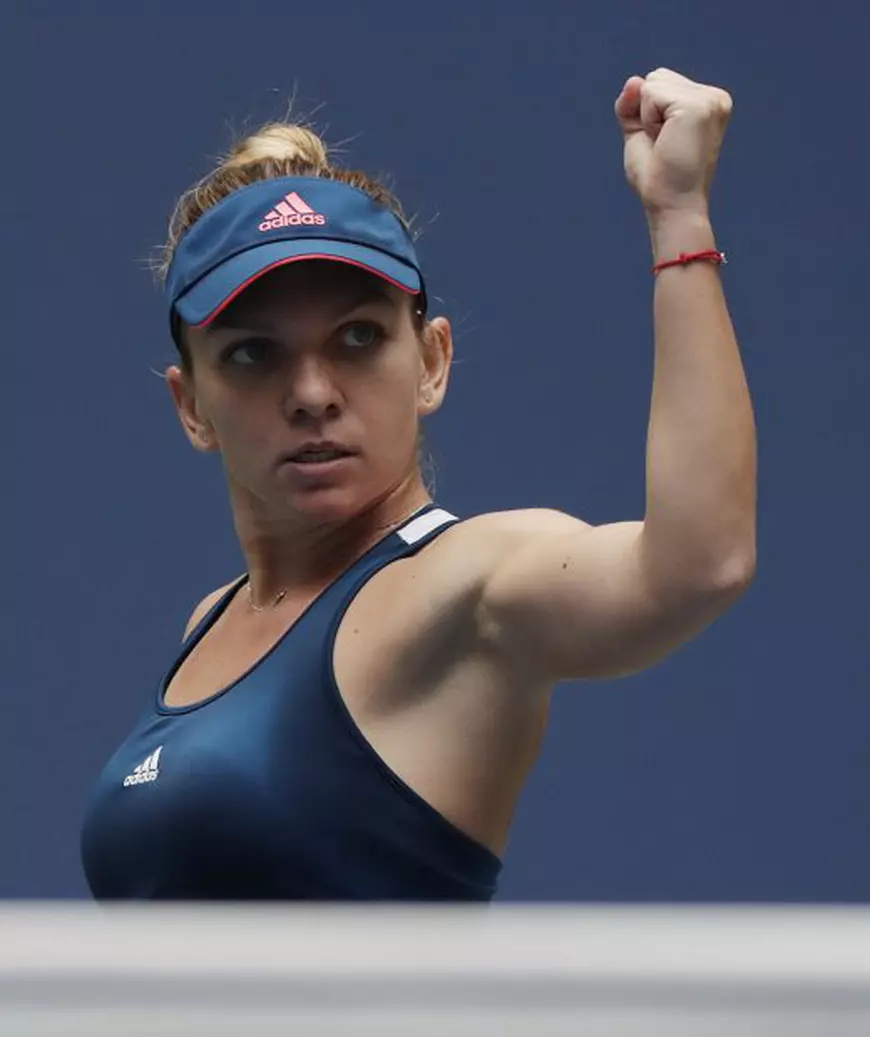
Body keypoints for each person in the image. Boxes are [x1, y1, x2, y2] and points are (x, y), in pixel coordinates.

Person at [81, 68, 756, 900]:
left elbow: (697, 563)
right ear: (192, 406)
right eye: (254, 353)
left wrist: (679, 217)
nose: (315, 393)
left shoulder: (468, 580)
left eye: (358, 338)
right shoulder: (208, 622)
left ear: (431, 361)